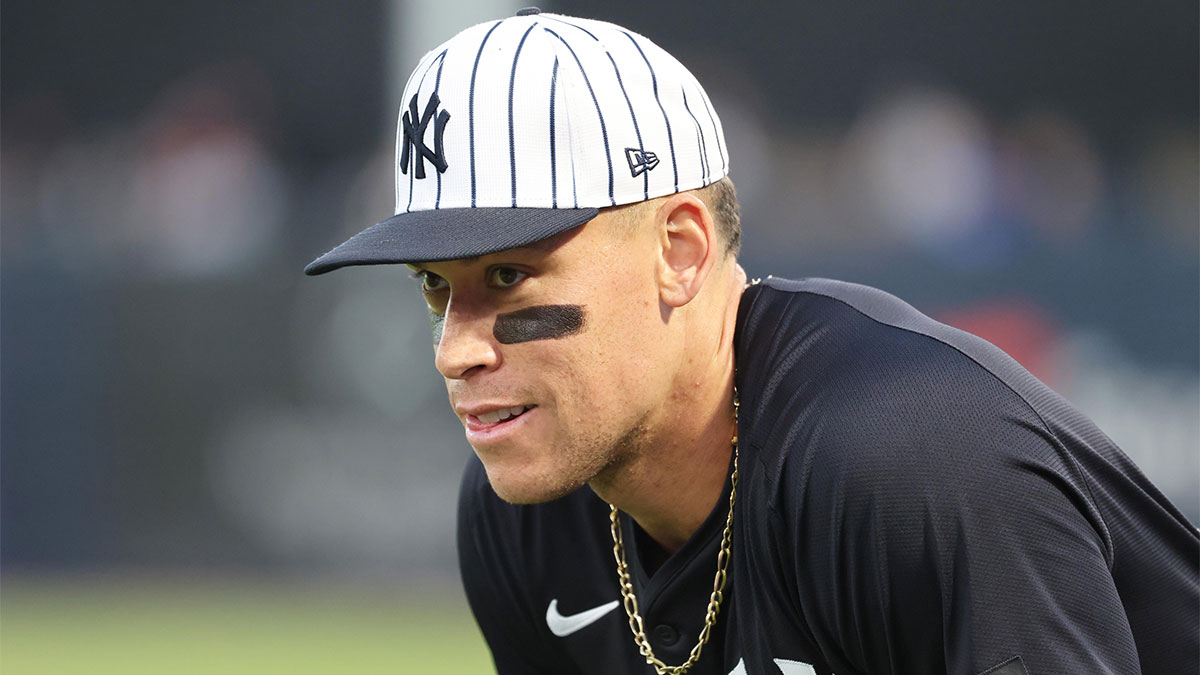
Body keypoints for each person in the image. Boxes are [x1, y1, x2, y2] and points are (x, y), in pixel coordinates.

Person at [305, 10, 1199, 675]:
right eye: (435, 286)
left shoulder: (904, 457)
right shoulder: (522, 511)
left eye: (508, 277)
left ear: (680, 251)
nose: (455, 353)